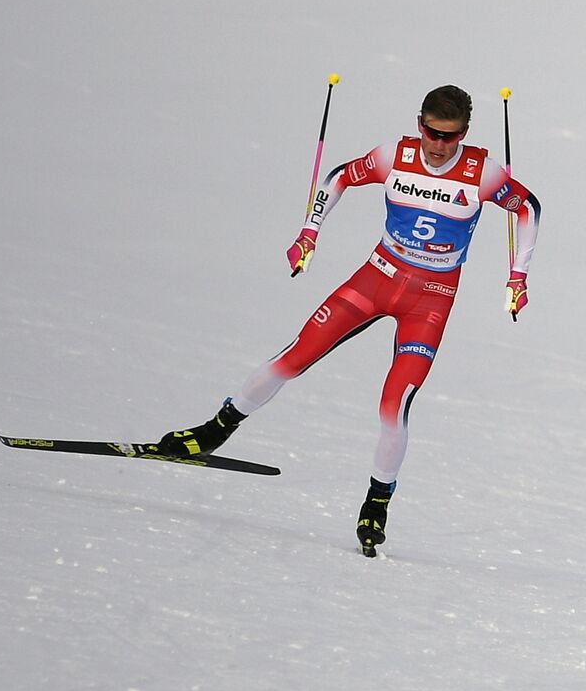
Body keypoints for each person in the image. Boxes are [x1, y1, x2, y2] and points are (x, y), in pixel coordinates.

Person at [154, 85, 542, 556]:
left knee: (393, 405)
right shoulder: (393, 156)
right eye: (430, 132)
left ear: (465, 132)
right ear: (419, 122)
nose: (438, 145)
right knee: (295, 355)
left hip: (432, 299)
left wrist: (517, 275)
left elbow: (528, 207)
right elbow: (339, 176)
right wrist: (309, 232)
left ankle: (377, 502)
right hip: (376, 277)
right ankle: (214, 430)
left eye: (450, 136)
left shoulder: (481, 172)